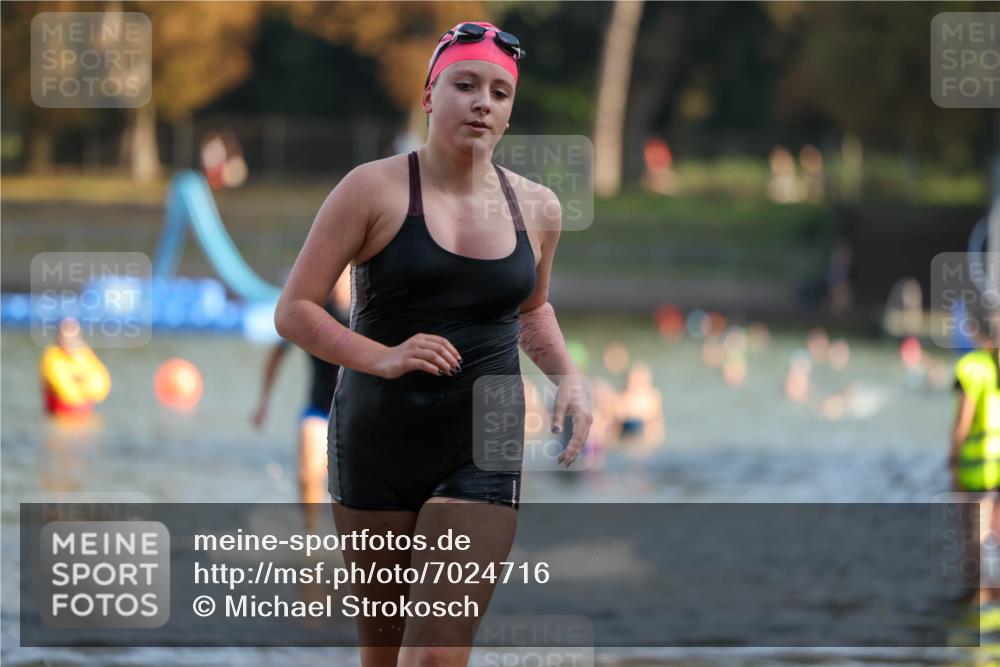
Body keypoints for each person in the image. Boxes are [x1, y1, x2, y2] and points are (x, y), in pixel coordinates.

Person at [274, 21, 592, 667]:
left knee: (437, 652)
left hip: (486, 432)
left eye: (501, 93)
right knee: (384, 654)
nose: (483, 102)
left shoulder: (538, 207)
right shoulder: (372, 188)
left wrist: (570, 378)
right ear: (429, 95)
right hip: (377, 432)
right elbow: (295, 309)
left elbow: (531, 309)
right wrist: (380, 355)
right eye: (466, 84)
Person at [252, 269, 351, 531]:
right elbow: (277, 354)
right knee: (308, 474)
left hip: (360, 413)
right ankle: (311, 540)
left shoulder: (369, 308)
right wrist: (263, 402)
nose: (338, 276)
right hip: (319, 409)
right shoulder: (313, 310)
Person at [949, 305, 1000, 606]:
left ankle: (976, 598)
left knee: (974, 537)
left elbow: (961, 425)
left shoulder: (973, 366)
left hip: (978, 466)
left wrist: (953, 463)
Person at [40, 317, 111, 417]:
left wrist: (80, 383)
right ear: (59, 337)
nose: (69, 339)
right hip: (60, 416)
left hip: (84, 418)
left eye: (73, 335)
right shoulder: (52, 356)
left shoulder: (84, 355)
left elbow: (101, 386)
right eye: (65, 335)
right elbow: (65, 391)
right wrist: (84, 384)